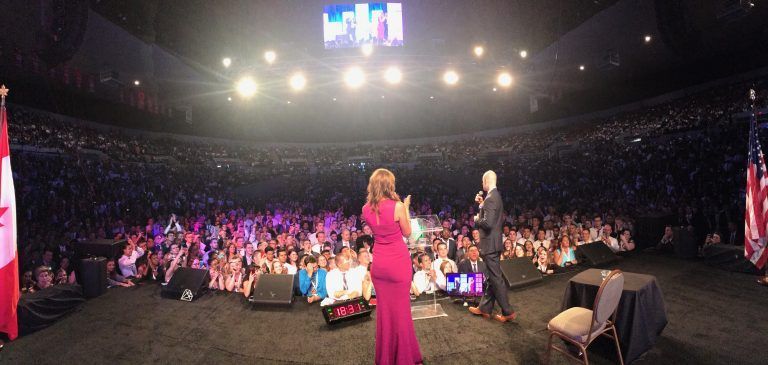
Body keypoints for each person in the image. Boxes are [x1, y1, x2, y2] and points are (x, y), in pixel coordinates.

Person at [360, 168, 423, 365]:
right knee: (402, 312)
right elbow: (407, 232)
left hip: (379, 263)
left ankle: (386, 358)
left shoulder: (364, 208)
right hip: (397, 262)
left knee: (385, 314)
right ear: (390, 185)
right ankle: (405, 358)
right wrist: (405, 207)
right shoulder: (397, 206)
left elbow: (379, 224)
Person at [469, 170, 516, 323]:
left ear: (486, 181)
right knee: (491, 277)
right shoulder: (494, 196)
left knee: (496, 279)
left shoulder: (490, 198)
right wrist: (481, 205)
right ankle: (485, 308)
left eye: (482, 182)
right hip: (493, 243)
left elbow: (487, 223)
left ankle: (507, 311)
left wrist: (476, 218)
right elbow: (492, 217)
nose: (482, 184)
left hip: (489, 244)